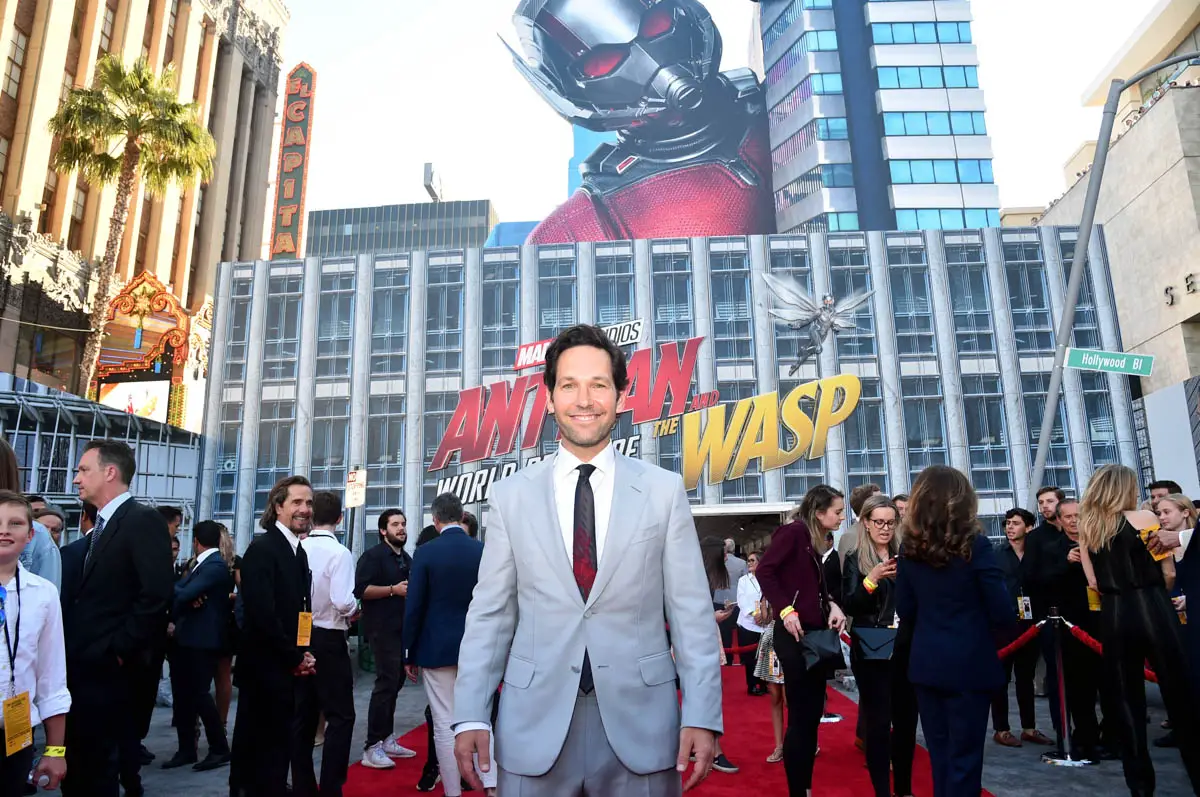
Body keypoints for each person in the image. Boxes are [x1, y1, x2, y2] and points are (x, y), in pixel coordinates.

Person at [453, 324, 722, 796]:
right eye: (569, 385)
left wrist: (702, 712)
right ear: (549, 398)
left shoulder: (662, 491)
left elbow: (691, 612)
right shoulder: (511, 496)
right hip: (533, 724)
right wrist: (471, 711)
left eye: (598, 384)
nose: (584, 400)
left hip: (642, 724)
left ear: (621, 396)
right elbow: (491, 613)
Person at [1078, 465, 1200, 795]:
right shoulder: (1144, 519)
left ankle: (1141, 789)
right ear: (1124, 488)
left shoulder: (1088, 528)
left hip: (1114, 614)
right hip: (1152, 607)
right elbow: (1169, 572)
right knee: (1181, 697)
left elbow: (1093, 581)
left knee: (1126, 704)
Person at [61, 440, 173, 797]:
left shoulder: (141, 520)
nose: (76, 479)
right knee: (81, 763)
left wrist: (118, 650)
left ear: (110, 472)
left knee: (98, 769)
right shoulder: (103, 527)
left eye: (83, 470)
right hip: (83, 669)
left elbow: (155, 593)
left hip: (110, 672)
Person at [896, 466, 1014, 797]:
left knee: (941, 757)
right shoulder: (976, 545)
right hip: (970, 663)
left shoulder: (909, 549)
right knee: (965, 759)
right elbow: (1001, 609)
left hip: (927, 662)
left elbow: (905, 609)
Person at [756, 484, 848, 797]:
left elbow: (811, 586)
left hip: (812, 633)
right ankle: (799, 790)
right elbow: (765, 571)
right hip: (795, 636)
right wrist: (786, 610)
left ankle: (805, 787)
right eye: (837, 511)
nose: (841, 517)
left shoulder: (812, 538)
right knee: (801, 717)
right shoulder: (793, 533)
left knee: (810, 718)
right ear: (819, 512)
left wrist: (831, 603)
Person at [229, 476, 317, 797]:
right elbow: (262, 615)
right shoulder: (263, 549)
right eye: (297, 502)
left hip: (286, 669)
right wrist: (294, 657)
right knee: (258, 754)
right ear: (278, 507)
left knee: (278, 750)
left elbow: (301, 609)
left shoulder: (298, 551)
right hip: (264, 672)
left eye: (309, 503)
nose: (305, 509)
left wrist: (304, 651)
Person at [404, 493, 496, 797]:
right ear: (463, 516)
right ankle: (491, 786)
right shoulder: (482, 551)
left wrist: (408, 651)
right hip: (479, 646)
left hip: (437, 648)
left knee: (444, 722)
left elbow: (414, 605)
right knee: (482, 718)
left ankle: (453, 791)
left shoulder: (425, 553)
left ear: (435, 520)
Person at [842, 494, 916, 797]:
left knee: (907, 722)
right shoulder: (855, 558)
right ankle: (882, 791)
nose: (885, 528)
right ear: (866, 523)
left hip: (907, 645)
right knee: (879, 722)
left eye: (890, 522)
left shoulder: (906, 555)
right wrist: (871, 579)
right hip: (872, 645)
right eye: (879, 522)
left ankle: (904, 790)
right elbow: (851, 604)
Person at [0, 491, 70, 793]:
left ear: (30, 535)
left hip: (15, 732)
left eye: (15, 523)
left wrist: (55, 750)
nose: (4, 530)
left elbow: (52, 678)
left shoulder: (43, 594)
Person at [291, 491, 357, 797]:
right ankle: (331, 787)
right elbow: (342, 601)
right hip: (330, 635)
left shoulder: (298, 547)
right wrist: (355, 608)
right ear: (339, 518)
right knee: (340, 716)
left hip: (301, 634)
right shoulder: (339, 553)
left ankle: (303, 785)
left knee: (303, 715)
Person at [163, 520, 232, 772]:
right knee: (184, 695)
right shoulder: (202, 565)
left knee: (200, 695)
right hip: (189, 638)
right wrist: (185, 594)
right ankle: (186, 749)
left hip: (202, 640)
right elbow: (183, 592)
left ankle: (219, 748)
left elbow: (182, 593)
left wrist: (183, 593)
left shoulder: (213, 566)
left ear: (196, 541)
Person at [353, 508, 417, 770]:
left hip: (402, 629)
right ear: (383, 530)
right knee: (386, 683)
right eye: (395, 524)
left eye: (403, 523)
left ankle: (387, 738)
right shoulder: (373, 556)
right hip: (382, 629)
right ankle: (372, 746)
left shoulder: (406, 559)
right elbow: (361, 590)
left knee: (396, 682)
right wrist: (393, 590)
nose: (401, 528)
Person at [990, 508, 1053, 748]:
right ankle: (1001, 729)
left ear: (1028, 527)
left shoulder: (1037, 554)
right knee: (1000, 678)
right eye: (1007, 523)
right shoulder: (996, 554)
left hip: (1031, 623)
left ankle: (1029, 727)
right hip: (1003, 624)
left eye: (1015, 523)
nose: (1009, 527)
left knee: (1026, 677)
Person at [1150, 493, 1199, 748]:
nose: (1162, 517)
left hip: (1194, 619)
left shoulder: (1193, 542)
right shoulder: (1159, 545)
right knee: (1177, 677)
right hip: (1170, 619)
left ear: (1185, 512)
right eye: (1158, 513)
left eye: (1167, 511)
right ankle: (1182, 728)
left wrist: (1190, 599)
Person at [699, 537, 739, 774]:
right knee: (709, 694)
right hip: (699, 641)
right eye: (723, 553)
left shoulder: (702, 577)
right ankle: (714, 751)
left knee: (705, 694)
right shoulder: (699, 578)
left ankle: (702, 747)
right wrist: (711, 617)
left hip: (701, 637)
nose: (726, 557)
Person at [736, 551, 768, 696]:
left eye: (752, 560)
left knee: (764, 656)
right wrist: (755, 614)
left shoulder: (767, 578)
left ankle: (764, 683)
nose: (749, 563)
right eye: (748, 561)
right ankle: (752, 685)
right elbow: (741, 600)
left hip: (765, 623)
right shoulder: (743, 580)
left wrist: (765, 615)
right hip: (748, 623)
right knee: (750, 658)